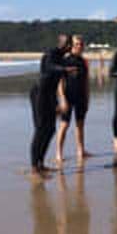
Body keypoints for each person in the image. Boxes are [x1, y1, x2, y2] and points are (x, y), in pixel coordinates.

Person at [29, 34, 75, 178]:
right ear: (63, 44)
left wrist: (58, 101)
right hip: (39, 94)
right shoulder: (51, 53)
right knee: (41, 129)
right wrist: (65, 70)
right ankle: (34, 167)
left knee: (50, 130)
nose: (69, 46)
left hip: (49, 95)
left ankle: (41, 164)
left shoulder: (62, 58)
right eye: (68, 44)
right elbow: (50, 67)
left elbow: (58, 81)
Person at [55, 35, 91, 164]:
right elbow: (59, 81)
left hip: (81, 96)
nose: (79, 46)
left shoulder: (84, 61)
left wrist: (87, 98)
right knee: (64, 125)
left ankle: (81, 150)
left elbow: (86, 82)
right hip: (67, 97)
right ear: (71, 45)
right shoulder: (65, 60)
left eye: (81, 44)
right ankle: (59, 153)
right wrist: (62, 98)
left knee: (80, 125)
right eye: (76, 44)